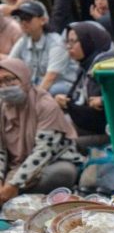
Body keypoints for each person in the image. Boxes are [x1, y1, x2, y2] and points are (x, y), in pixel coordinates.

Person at [0, 58, 79, 201]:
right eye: (0, 82)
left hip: (49, 162)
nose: (5, 86)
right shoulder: (3, 105)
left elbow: (43, 152)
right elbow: (1, 150)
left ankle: (17, 196)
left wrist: (13, 184)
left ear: (23, 78)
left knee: (63, 173)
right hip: (15, 164)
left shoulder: (44, 104)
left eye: (9, 79)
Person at [53, 20, 110, 144]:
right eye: (68, 42)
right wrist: (66, 102)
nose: (69, 46)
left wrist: (103, 100)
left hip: (110, 134)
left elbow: (99, 119)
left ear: (88, 41)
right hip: (88, 128)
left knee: (62, 144)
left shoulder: (104, 67)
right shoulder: (84, 67)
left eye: (73, 42)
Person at [8, 1, 76, 94]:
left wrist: (34, 99)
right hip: (37, 84)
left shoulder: (57, 43)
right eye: (20, 19)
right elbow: (9, 65)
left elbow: (51, 77)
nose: (23, 22)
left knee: (54, 90)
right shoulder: (23, 41)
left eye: (27, 18)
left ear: (43, 20)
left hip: (64, 85)